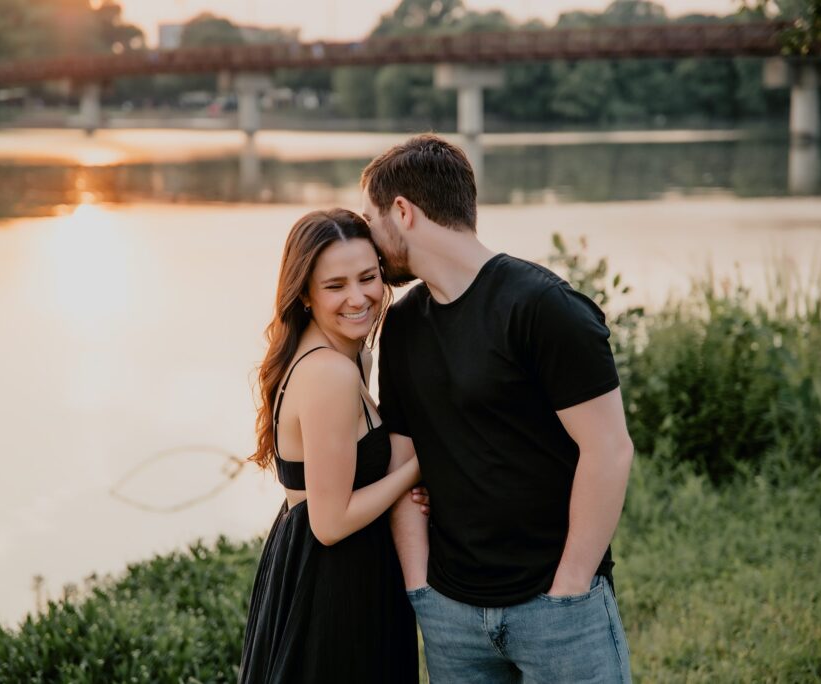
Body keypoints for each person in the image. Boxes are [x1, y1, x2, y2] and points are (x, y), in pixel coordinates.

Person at [361, 134, 635, 684]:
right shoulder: (403, 325)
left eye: (370, 219)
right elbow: (402, 456)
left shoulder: (543, 307)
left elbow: (609, 449)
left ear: (403, 211)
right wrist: (420, 586)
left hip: (557, 608)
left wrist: (570, 587)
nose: (367, 239)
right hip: (451, 613)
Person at [238, 208, 420, 684]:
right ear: (305, 294)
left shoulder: (349, 356)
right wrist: (419, 468)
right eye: (335, 286)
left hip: (324, 569)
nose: (358, 298)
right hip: (332, 585)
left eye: (367, 278)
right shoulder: (329, 373)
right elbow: (330, 523)